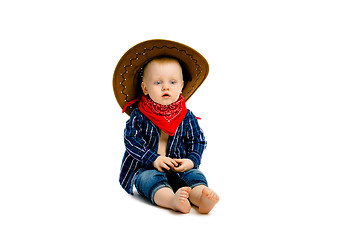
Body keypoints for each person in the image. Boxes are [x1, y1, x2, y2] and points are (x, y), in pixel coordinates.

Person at [113, 40, 219, 214]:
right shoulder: (139, 116)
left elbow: (198, 140)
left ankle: (201, 197)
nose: (165, 87)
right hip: (146, 166)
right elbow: (131, 141)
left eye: (172, 82)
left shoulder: (186, 115)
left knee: (194, 175)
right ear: (145, 88)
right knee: (149, 179)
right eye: (157, 83)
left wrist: (191, 160)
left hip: (178, 165)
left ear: (182, 86)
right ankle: (171, 200)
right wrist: (154, 158)